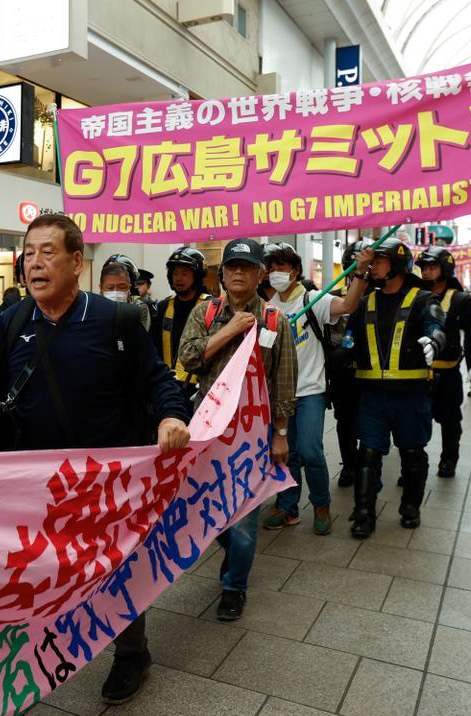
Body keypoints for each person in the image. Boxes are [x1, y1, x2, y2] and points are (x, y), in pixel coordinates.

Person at [0, 214, 191, 716]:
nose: (34, 263)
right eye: (29, 254)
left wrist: (170, 415)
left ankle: (132, 652)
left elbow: (159, 380)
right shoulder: (12, 321)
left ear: (75, 260)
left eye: (47, 253)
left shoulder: (116, 318)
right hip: (33, 489)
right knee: (22, 597)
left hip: (106, 486)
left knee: (116, 577)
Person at [177, 238, 296, 621]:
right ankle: (233, 556)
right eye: (232, 267)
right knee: (208, 513)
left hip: (253, 435)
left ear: (260, 272)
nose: (238, 273)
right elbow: (189, 357)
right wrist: (230, 330)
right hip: (208, 433)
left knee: (244, 520)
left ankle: (234, 588)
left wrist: (280, 432)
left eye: (247, 266)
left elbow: (283, 380)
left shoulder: (277, 320)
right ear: (223, 273)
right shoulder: (206, 313)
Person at [261, 242, 368, 535]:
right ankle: (287, 506)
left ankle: (321, 504)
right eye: (270, 269)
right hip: (280, 394)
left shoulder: (313, 299)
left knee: (309, 450)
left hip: (311, 390)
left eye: (280, 268)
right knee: (286, 453)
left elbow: (348, 305)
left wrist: (359, 273)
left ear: (294, 271)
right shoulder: (269, 309)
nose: (275, 274)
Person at [346, 240, 446, 537]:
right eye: (373, 261)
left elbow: (436, 327)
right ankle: (364, 514)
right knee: (368, 455)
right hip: (373, 396)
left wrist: (435, 341)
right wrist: (341, 352)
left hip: (411, 395)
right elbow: (350, 338)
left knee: (413, 453)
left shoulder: (423, 299)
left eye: (380, 260)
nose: (374, 265)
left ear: (398, 265)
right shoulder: (365, 302)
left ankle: (410, 506)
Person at [416, 246, 471, 478]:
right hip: (416, 373)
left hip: (448, 373)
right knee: (413, 419)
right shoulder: (414, 296)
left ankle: (449, 460)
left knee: (450, 420)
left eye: (432, 267)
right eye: (423, 268)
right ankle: (413, 464)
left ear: (445, 269)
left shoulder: (461, 300)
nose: (426, 272)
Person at [329, 239, 372, 488]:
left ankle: (367, 463)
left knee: (370, 421)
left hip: (372, 372)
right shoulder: (334, 299)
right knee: (344, 422)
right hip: (343, 375)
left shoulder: (379, 298)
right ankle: (349, 464)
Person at [154, 247, 211, 411]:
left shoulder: (210, 306)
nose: (178, 279)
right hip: (168, 387)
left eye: (184, 274)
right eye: (175, 273)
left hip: (200, 388)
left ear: (197, 276)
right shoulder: (164, 306)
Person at [98, 253, 152, 331]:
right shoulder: (93, 308)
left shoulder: (139, 309)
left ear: (130, 286)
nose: (115, 292)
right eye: (110, 287)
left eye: (121, 287)